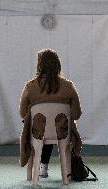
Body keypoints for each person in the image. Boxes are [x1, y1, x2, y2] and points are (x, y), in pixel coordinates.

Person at [19, 48, 82, 178]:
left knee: (42, 125)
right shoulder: (68, 86)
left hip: (38, 132)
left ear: (39, 65)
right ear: (58, 65)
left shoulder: (30, 86)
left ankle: (40, 169)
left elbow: (22, 113)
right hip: (62, 132)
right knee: (56, 124)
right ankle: (67, 171)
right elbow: (76, 115)